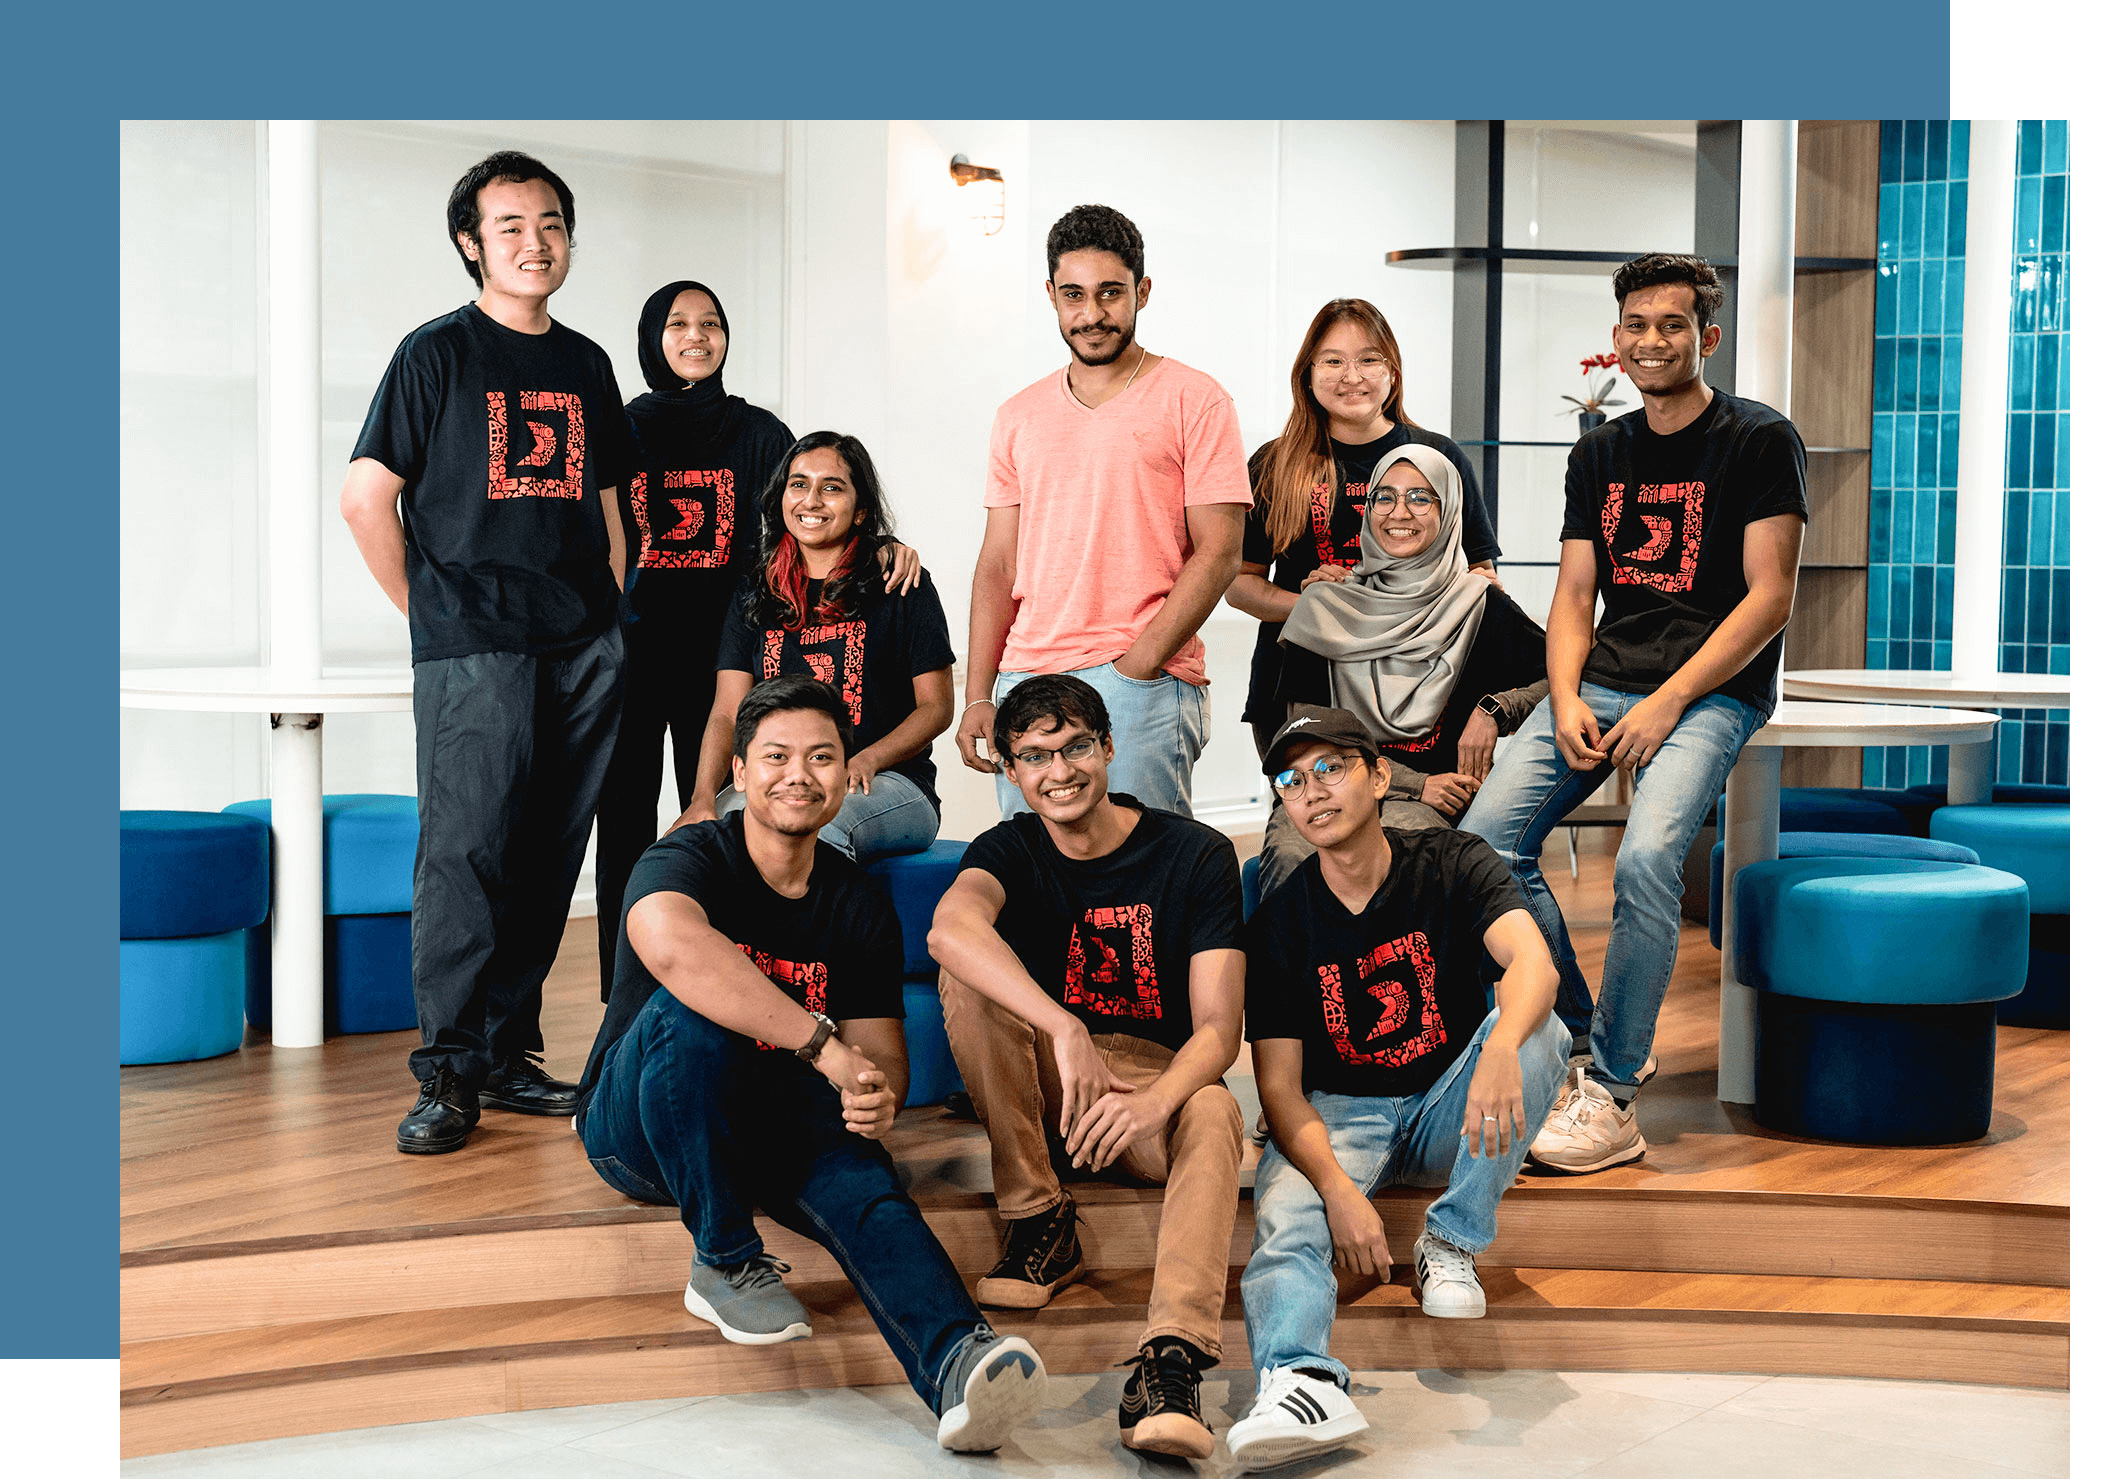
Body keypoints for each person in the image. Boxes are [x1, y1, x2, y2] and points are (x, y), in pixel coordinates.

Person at [575, 677, 1051, 1453]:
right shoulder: (686, 857)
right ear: (739, 774)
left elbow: (882, 1055)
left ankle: (960, 1361)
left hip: (775, 1112)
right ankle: (724, 1259)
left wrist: (875, 1095)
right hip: (645, 1126)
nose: (800, 773)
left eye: (822, 756)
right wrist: (824, 1046)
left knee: (864, 1177)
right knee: (694, 1008)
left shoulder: (855, 900)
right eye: (777, 756)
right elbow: (670, 945)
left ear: (845, 774)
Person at [1460, 253, 1806, 1174]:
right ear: (1615, 340)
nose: (1652, 341)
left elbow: (1770, 598)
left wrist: (1671, 697)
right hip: (1606, 678)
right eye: (1636, 326)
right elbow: (1576, 592)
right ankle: (1590, 1024)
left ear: (1709, 337)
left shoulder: (1760, 440)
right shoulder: (1599, 451)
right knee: (1488, 839)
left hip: (1711, 688)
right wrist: (1567, 694)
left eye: (1673, 325)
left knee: (1649, 858)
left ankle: (1612, 1093)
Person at [341, 150, 632, 1154]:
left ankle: (509, 1054)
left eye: (550, 223)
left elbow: (611, 512)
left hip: (583, 644)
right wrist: (430, 613)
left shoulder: (588, 364)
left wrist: (611, 616)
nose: (534, 242)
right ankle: (450, 1075)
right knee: (466, 859)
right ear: (472, 243)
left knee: (550, 856)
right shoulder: (436, 355)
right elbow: (365, 495)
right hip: (475, 647)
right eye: (510, 226)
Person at [1226, 707, 1567, 1471]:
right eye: (1290, 779)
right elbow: (1278, 1089)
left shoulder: (1454, 859)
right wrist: (1338, 1191)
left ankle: (1450, 1238)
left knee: (1543, 1031)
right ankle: (1299, 1379)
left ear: (1380, 777)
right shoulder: (1279, 921)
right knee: (1287, 1219)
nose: (1310, 790)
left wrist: (1503, 1043)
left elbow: (1535, 965)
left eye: (1330, 768)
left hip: (1454, 1098)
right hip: (1341, 1114)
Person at [929, 674, 1246, 1460]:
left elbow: (1219, 1029)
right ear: (1010, 770)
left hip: (1148, 1086)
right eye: (1034, 756)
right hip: (1048, 1080)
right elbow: (949, 929)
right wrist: (1062, 1024)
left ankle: (1170, 1362)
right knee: (967, 972)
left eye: (1075, 746)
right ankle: (1039, 1217)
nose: (1059, 770)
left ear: (1108, 747)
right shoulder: (1007, 848)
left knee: (1213, 1109)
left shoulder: (1193, 851)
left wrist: (1154, 1101)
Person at [953, 204, 1251, 819]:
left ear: (1142, 291)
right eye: (1074, 295)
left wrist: (1134, 667)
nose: (1091, 315)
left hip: (1140, 678)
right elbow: (998, 564)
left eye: (1111, 293)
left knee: (1146, 884)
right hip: (1026, 678)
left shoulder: (1196, 398)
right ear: (1051, 296)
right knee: (1036, 884)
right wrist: (980, 692)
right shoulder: (1018, 414)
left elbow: (1220, 552)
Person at [591, 280, 792, 1000]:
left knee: (722, 821)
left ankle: (725, 989)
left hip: (731, 662)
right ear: (653, 337)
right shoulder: (620, 427)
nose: (697, 335)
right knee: (624, 830)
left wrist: (886, 549)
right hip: (633, 659)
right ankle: (628, 995)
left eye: (711, 322)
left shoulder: (763, 434)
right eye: (679, 324)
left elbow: (809, 524)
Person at [1258, 443, 1549, 900]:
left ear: (1449, 510)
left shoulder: (1479, 603)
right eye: (1385, 497)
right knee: (1297, 863)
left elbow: (1565, 678)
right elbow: (1305, 735)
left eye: (1420, 497)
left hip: (1436, 804)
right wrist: (1417, 784)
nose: (1400, 512)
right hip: (1333, 786)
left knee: (1406, 864)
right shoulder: (1325, 604)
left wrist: (1496, 709)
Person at [1227, 299, 1504, 761]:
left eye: (1369, 360)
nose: (1351, 376)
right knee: (1314, 826)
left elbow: (1481, 579)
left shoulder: (1437, 458)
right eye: (1333, 361)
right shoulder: (1274, 464)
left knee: (1422, 829)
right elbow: (1239, 585)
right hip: (1301, 685)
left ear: (1392, 372)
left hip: (1421, 690)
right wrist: (1318, 609)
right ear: (1308, 374)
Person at [670, 432, 954, 863]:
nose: (812, 500)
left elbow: (936, 708)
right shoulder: (755, 589)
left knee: (816, 828)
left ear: (860, 511)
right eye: (799, 484)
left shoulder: (899, 583)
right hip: (783, 778)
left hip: (890, 782)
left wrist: (868, 759)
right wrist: (702, 798)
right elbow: (728, 711)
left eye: (832, 487)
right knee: (690, 846)